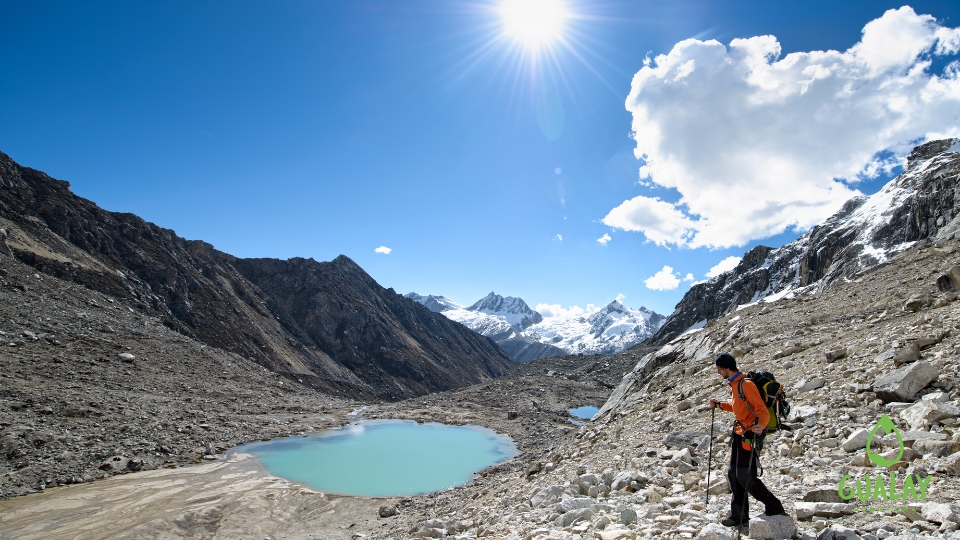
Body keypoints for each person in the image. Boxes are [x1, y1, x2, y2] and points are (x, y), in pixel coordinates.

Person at [709, 353, 785, 527]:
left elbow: (762, 411)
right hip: (739, 433)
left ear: (726, 368)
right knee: (733, 474)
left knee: (744, 475)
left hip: (749, 435)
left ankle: (774, 505)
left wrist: (761, 426)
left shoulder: (746, 385)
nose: (718, 372)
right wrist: (720, 404)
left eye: (719, 369)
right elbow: (738, 408)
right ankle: (739, 515)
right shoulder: (736, 384)